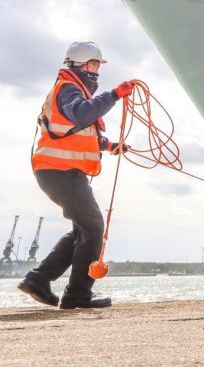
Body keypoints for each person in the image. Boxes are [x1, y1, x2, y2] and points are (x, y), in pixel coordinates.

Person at [18, 42, 134, 309]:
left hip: (58, 172)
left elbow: (75, 133)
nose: (96, 71)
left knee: (84, 229)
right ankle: (77, 295)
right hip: (59, 172)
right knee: (93, 227)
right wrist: (115, 95)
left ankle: (38, 280)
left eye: (97, 66)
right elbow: (82, 114)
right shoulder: (68, 89)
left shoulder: (71, 89)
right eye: (93, 65)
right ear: (80, 66)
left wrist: (108, 146)